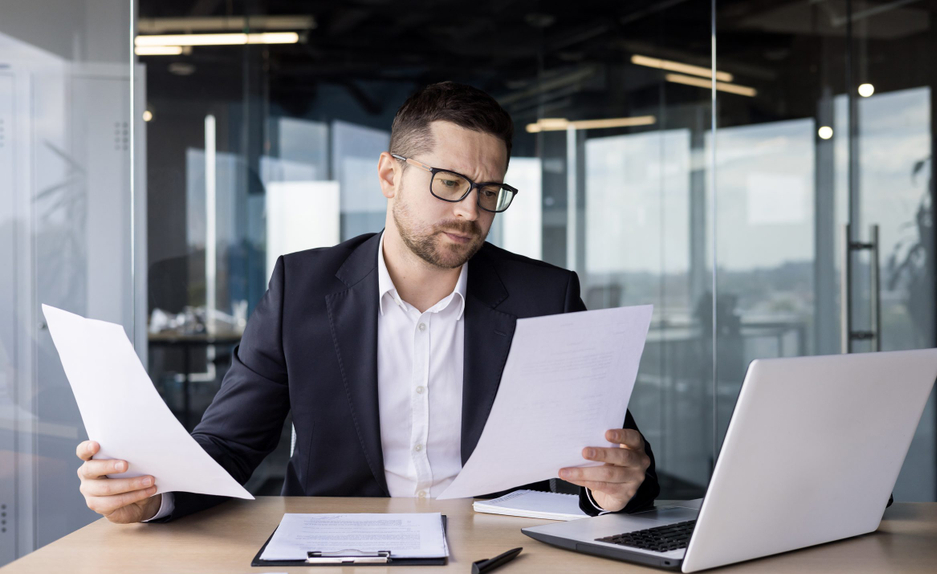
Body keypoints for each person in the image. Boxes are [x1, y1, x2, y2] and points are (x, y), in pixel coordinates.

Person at [75, 81, 660, 524]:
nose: (470, 212)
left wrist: (611, 488)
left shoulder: (545, 296)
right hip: (339, 550)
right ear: (388, 174)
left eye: (488, 192)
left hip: (495, 551)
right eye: (449, 183)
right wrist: (152, 496)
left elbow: (616, 458)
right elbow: (228, 445)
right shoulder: (300, 288)